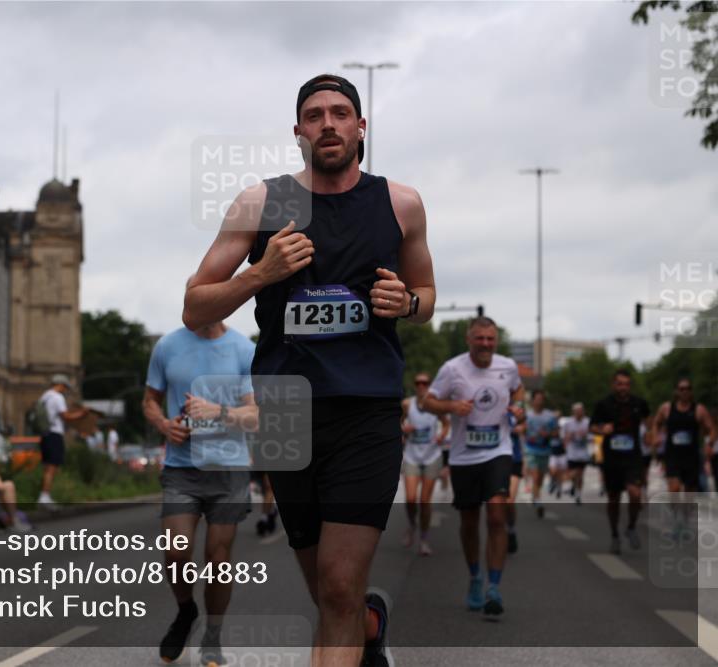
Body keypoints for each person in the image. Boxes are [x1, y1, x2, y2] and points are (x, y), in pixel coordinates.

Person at [183, 73, 437, 666]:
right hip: (284, 416)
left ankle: (358, 620)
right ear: (298, 131)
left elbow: (425, 294)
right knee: (329, 594)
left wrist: (409, 304)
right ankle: (368, 632)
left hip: (366, 410)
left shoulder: (400, 203)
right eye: (315, 115)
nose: (329, 123)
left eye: (341, 113)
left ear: (360, 127)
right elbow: (196, 306)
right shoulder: (262, 203)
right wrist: (260, 274)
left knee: (341, 586)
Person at [142, 318, 257, 666]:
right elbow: (149, 400)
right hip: (182, 467)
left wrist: (218, 411)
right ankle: (186, 610)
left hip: (229, 469)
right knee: (176, 551)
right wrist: (164, 424)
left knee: (218, 561)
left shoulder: (244, 349)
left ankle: (212, 637)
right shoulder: (166, 346)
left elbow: (257, 414)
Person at [422, 317, 523, 618]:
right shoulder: (453, 370)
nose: (486, 344)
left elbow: (518, 391)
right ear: (469, 340)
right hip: (464, 456)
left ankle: (494, 587)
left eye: (490, 339)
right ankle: (475, 577)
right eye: (480, 339)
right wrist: (451, 407)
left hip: (498, 451)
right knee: (469, 522)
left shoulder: (508, 367)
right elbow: (428, 402)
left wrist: (519, 407)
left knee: (496, 515)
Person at [590, 369, 653, 555]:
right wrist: (602, 429)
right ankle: (615, 535)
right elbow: (592, 427)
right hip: (611, 459)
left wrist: (650, 433)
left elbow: (649, 419)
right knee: (614, 499)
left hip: (633, 457)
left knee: (635, 494)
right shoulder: (603, 404)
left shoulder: (638, 404)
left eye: (626, 384)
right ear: (613, 385)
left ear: (630, 386)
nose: (623, 388)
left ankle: (631, 526)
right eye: (620, 384)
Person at [651, 379, 717, 534]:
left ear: (691, 391)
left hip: (691, 457)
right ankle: (676, 519)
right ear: (676, 391)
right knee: (673, 489)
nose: (684, 391)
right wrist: (655, 436)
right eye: (681, 389)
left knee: (689, 495)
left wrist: (709, 444)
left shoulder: (699, 410)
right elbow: (656, 423)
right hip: (673, 456)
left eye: (687, 388)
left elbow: (712, 429)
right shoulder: (666, 408)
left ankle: (685, 520)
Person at [400, 372, 449, 556]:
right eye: (418, 383)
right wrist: (404, 429)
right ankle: (412, 525)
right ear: (415, 385)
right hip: (412, 455)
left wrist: (442, 435)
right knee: (411, 498)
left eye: (425, 383)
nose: (421, 386)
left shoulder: (436, 405)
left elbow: (445, 424)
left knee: (424, 501)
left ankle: (424, 539)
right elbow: (398, 421)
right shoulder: (407, 403)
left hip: (431, 456)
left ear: (430, 385)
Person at [36, 374, 90, 507]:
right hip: (54, 434)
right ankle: (45, 496)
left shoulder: (44, 397)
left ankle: (44, 495)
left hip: (45, 434)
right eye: (65, 387)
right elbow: (66, 416)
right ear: (60, 384)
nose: (65, 390)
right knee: (52, 467)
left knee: (47, 466)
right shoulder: (57, 397)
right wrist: (82, 414)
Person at [524, 390, 558, 518]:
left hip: (545, 450)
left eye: (542, 399)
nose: (539, 401)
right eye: (537, 399)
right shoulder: (527, 416)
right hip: (531, 450)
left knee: (540, 479)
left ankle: (535, 495)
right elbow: (522, 431)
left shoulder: (549, 416)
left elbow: (556, 433)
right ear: (532, 401)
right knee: (535, 475)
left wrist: (548, 434)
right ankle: (538, 502)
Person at [506, 403, 526, 553]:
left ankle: (511, 530)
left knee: (509, 501)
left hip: (514, 460)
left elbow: (524, 425)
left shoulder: (515, 410)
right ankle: (499, 532)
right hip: (494, 461)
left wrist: (521, 426)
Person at [562, 402, 591, 504]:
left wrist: (585, 436)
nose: (579, 413)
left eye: (580, 411)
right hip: (572, 452)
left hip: (583, 453)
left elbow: (592, 437)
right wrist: (569, 437)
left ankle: (578, 494)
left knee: (580, 474)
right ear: (573, 412)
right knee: (573, 473)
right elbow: (564, 437)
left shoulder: (588, 422)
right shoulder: (568, 423)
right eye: (576, 411)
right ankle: (573, 486)